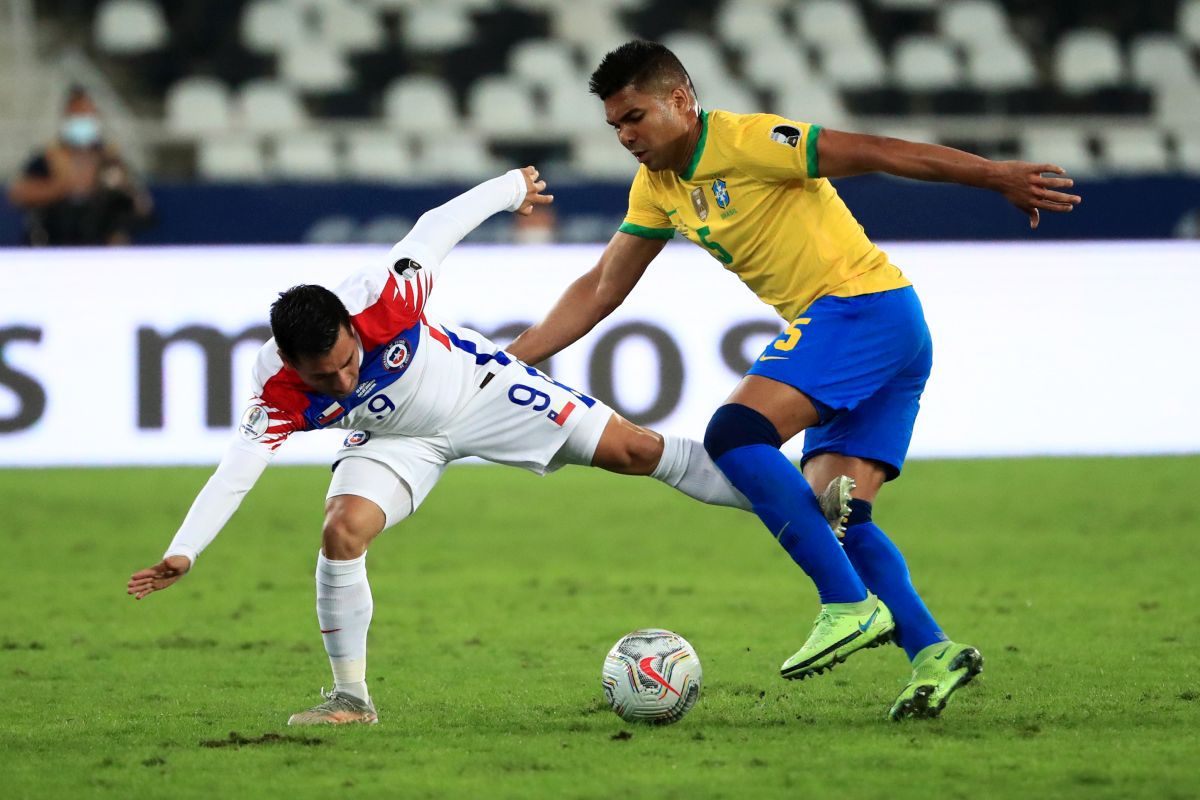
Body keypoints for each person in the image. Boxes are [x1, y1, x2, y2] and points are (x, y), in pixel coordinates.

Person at [506, 41, 1083, 720]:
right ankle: (933, 651)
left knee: (736, 433)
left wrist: (996, 177)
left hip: (860, 309)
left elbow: (875, 152)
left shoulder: (751, 141)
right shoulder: (659, 186)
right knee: (840, 517)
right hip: (885, 328)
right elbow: (603, 286)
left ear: (682, 101)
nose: (626, 135)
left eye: (635, 116)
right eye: (616, 126)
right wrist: (507, 362)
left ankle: (846, 605)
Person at [126, 166, 758, 726]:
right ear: (291, 361)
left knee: (635, 452)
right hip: (395, 441)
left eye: (349, 362)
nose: (343, 381)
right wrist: (184, 552)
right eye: (326, 377)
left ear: (351, 325)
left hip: (480, 390)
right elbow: (236, 471)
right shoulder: (276, 392)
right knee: (341, 531)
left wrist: (511, 188)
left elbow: (435, 226)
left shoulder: (388, 295)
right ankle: (351, 700)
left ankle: (801, 503)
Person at [7, 86, 153, 246]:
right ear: (66, 117)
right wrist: (62, 185)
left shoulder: (110, 160)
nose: (82, 121)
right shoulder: (48, 158)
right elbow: (17, 194)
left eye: (87, 115)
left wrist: (116, 186)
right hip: (51, 246)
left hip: (99, 248)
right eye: (77, 115)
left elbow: (142, 207)